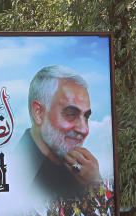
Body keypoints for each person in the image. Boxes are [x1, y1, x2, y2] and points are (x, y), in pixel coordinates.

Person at [15, 65, 103, 206]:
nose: (84, 129)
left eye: (86, 117)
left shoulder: (80, 170)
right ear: (38, 113)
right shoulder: (18, 175)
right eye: (71, 115)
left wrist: (94, 183)